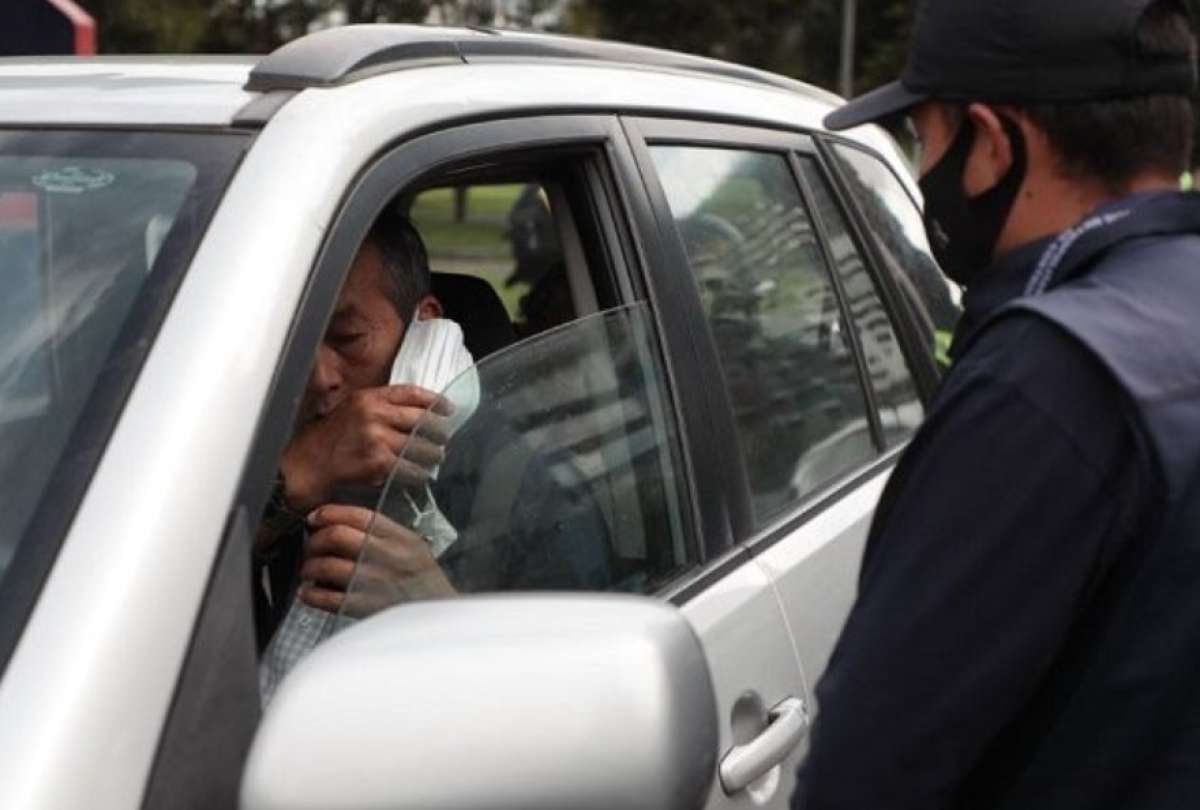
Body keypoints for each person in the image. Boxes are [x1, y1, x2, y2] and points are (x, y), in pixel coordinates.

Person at [794, 2, 1200, 809]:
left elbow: (869, 774)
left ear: (992, 143)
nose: (922, 171)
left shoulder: (1048, 381)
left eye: (926, 138)